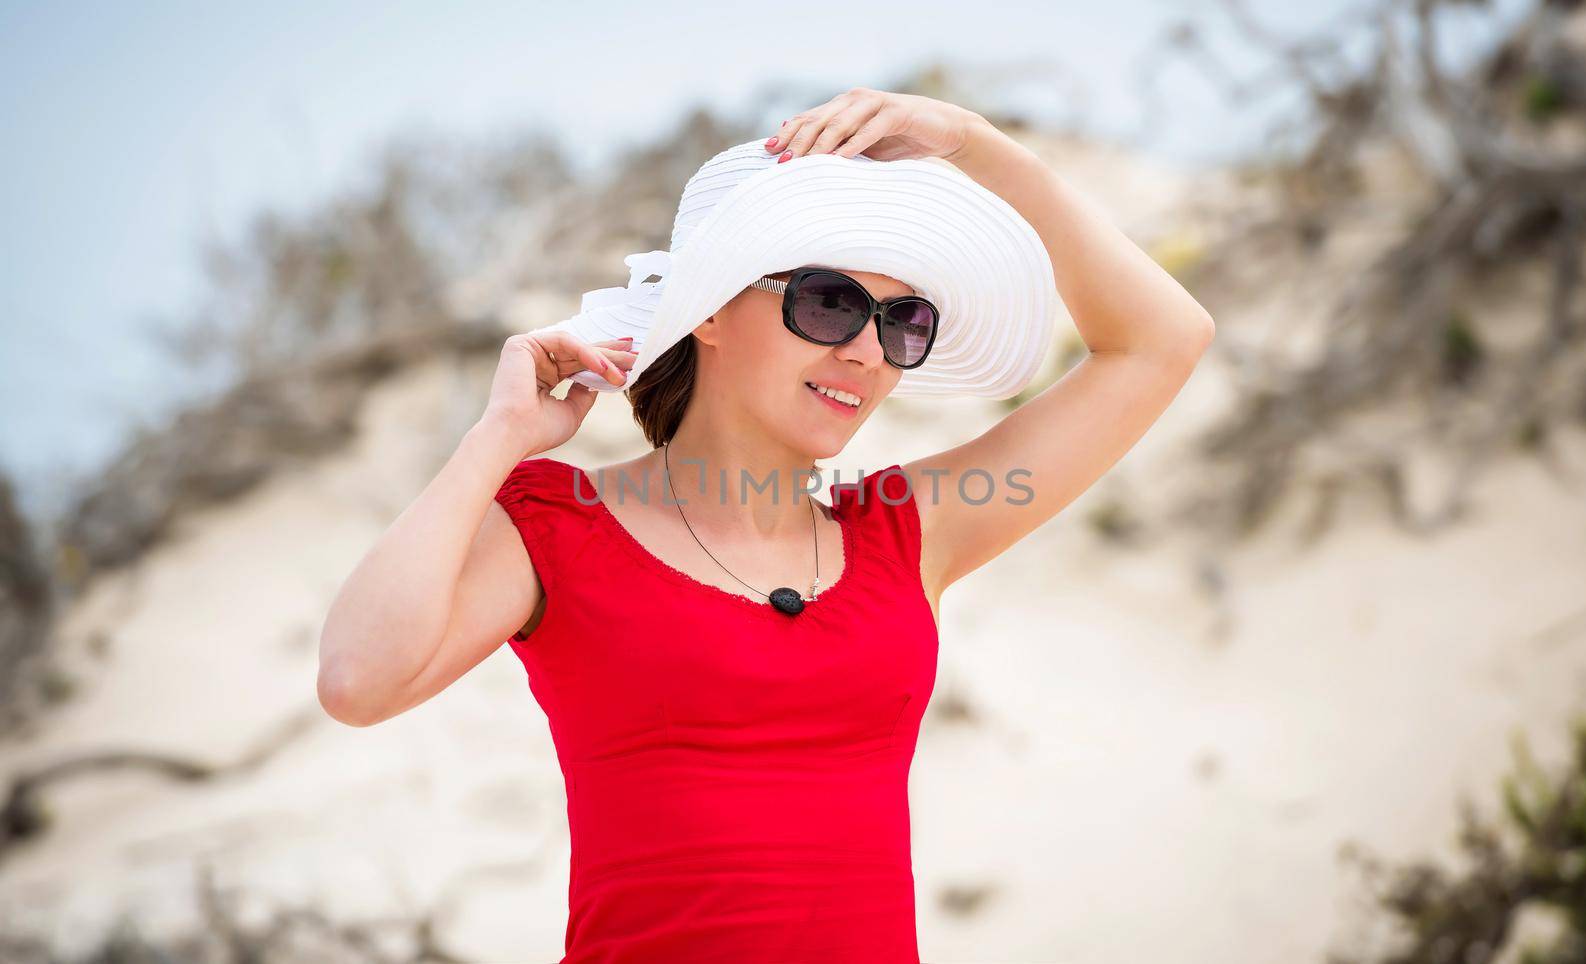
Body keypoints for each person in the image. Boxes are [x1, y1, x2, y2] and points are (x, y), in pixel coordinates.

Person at [318, 87, 1214, 962]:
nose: (864, 350)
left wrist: (979, 145)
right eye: (827, 303)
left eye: (903, 323)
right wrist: (498, 437)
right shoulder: (558, 528)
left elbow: (1160, 341)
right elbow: (359, 682)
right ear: (708, 306)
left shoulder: (906, 535)